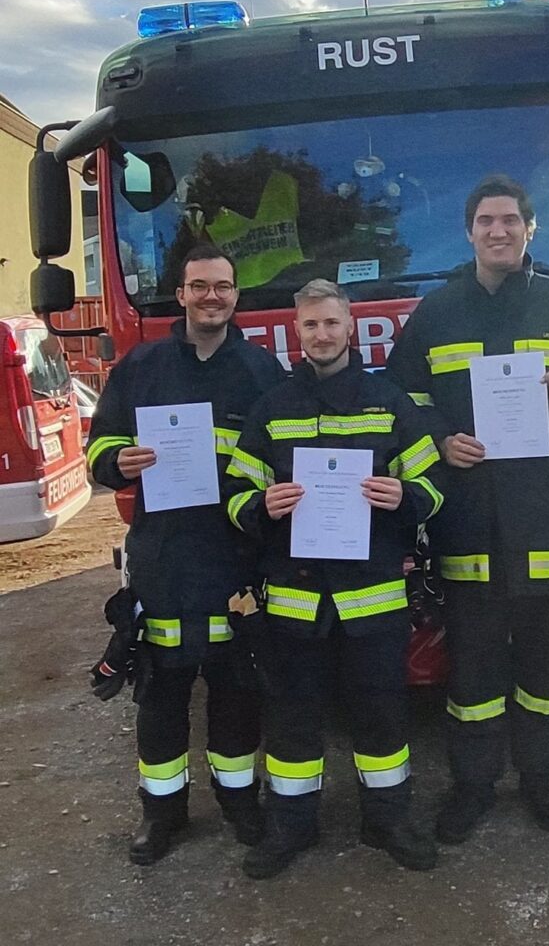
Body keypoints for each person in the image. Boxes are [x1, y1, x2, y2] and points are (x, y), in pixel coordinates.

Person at [386, 174, 549, 844]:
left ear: (529, 229)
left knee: (546, 672)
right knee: (473, 675)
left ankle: (541, 779)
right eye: (486, 221)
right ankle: (474, 786)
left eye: (510, 220)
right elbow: (403, 401)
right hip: (468, 528)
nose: (499, 231)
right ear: (470, 232)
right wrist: (439, 440)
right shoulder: (436, 314)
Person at [224, 279, 444, 879]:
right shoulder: (273, 408)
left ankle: (388, 821)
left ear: (351, 327)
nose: (321, 334)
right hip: (295, 601)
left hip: (373, 598)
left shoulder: (389, 402)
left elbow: (433, 486)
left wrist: (403, 497)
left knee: (382, 714)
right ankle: (291, 826)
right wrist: (261, 506)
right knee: (291, 718)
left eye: (330, 323)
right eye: (310, 325)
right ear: (297, 332)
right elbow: (235, 494)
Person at [87, 243, 286, 865]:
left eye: (222, 287)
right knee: (161, 694)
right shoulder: (142, 367)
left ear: (235, 296)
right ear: (181, 295)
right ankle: (161, 812)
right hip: (165, 558)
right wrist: (118, 461)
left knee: (236, 691)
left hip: (236, 558)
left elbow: (283, 455)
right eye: (199, 286)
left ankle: (239, 800)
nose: (211, 297)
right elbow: (100, 446)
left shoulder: (260, 371)